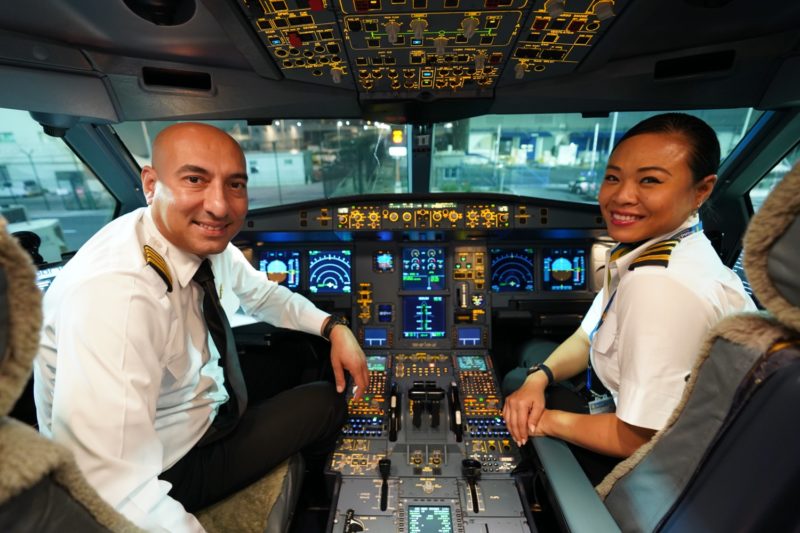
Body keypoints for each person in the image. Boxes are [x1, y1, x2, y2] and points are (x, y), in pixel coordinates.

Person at [33, 123, 368, 532]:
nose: (220, 206)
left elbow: (262, 295)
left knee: (304, 352)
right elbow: (111, 486)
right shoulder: (116, 297)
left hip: (191, 405)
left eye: (235, 185)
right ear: (151, 183)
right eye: (195, 179)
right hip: (168, 465)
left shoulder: (187, 237)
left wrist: (334, 327)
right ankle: (316, 503)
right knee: (327, 400)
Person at [502, 113, 755, 484]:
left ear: (702, 190)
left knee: (511, 382)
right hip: (666, 427)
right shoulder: (666, 248)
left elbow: (643, 437)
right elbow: (589, 334)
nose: (621, 196)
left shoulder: (660, 285)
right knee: (529, 369)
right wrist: (538, 379)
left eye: (649, 180)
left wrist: (544, 421)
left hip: (665, 469)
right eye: (613, 177)